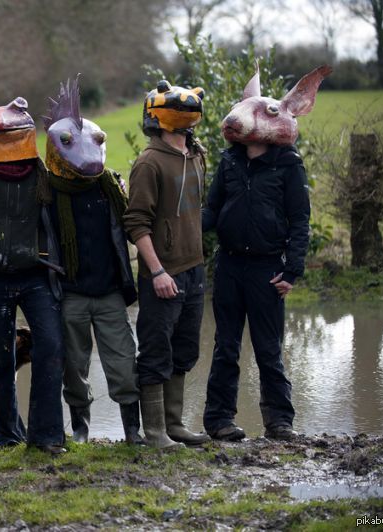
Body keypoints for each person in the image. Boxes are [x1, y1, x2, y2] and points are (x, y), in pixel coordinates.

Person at [202, 66, 328, 441]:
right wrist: (181, 226)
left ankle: (279, 422)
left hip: (267, 269)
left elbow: (299, 219)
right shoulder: (229, 161)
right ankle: (219, 421)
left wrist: (292, 271)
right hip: (228, 266)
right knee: (225, 346)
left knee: (268, 348)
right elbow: (211, 209)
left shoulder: (288, 165)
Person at [0, 97, 66, 454]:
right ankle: (7, 436)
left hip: (37, 274)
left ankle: (46, 436)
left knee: (50, 346)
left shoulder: (42, 174)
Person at [42, 77, 142, 444]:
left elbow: (135, 225)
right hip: (69, 294)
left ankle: (132, 429)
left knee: (124, 363)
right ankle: (80, 429)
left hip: (110, 292)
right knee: (74, 367)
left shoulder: (111, 187)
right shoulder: (46, 192)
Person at [123, 80, 210, 449]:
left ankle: (174, 425)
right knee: (156, 349)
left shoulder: (196, 155)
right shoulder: (149, 163)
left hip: (195, 269)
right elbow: (136, 223)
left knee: (186, 349)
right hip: (162, 274)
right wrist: (156, 271)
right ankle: (155, 431)